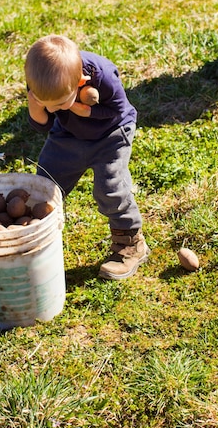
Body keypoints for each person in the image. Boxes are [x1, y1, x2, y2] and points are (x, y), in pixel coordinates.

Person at [25, 34, 149, 280]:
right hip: (69, 134)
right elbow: (43, 123)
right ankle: (34, 238)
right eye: (47, 103)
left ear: (80, 81)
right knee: (46, 181)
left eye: (59, 103)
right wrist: (37, 106)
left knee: (110, 187)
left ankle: (131, 243)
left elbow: (117, 110)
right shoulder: (41, 82)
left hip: (111, 132)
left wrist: (84, 109)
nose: (53, 109)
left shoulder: (102, 75)